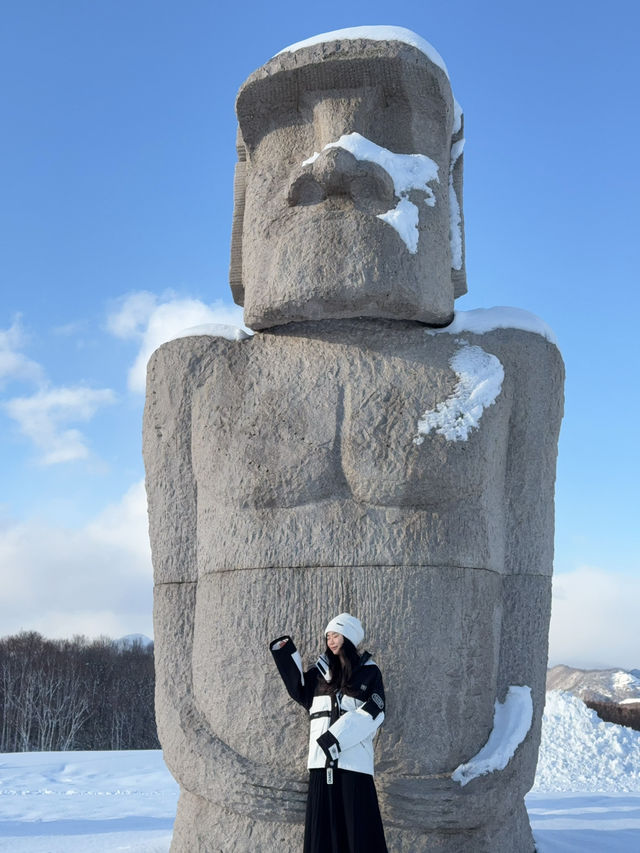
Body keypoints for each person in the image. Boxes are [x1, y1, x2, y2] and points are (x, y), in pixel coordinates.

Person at [270, 613, 388, 853]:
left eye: (335, 635)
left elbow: (375, 711)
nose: (331, 641)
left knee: (359, 830)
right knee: (322, 831)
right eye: (328, 637)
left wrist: (335, 739)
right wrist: (284, 653)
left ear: (349, 636)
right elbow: (301, 692)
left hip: (354, 763)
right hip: (321, 763)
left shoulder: (369, 673)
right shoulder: (320, 673)